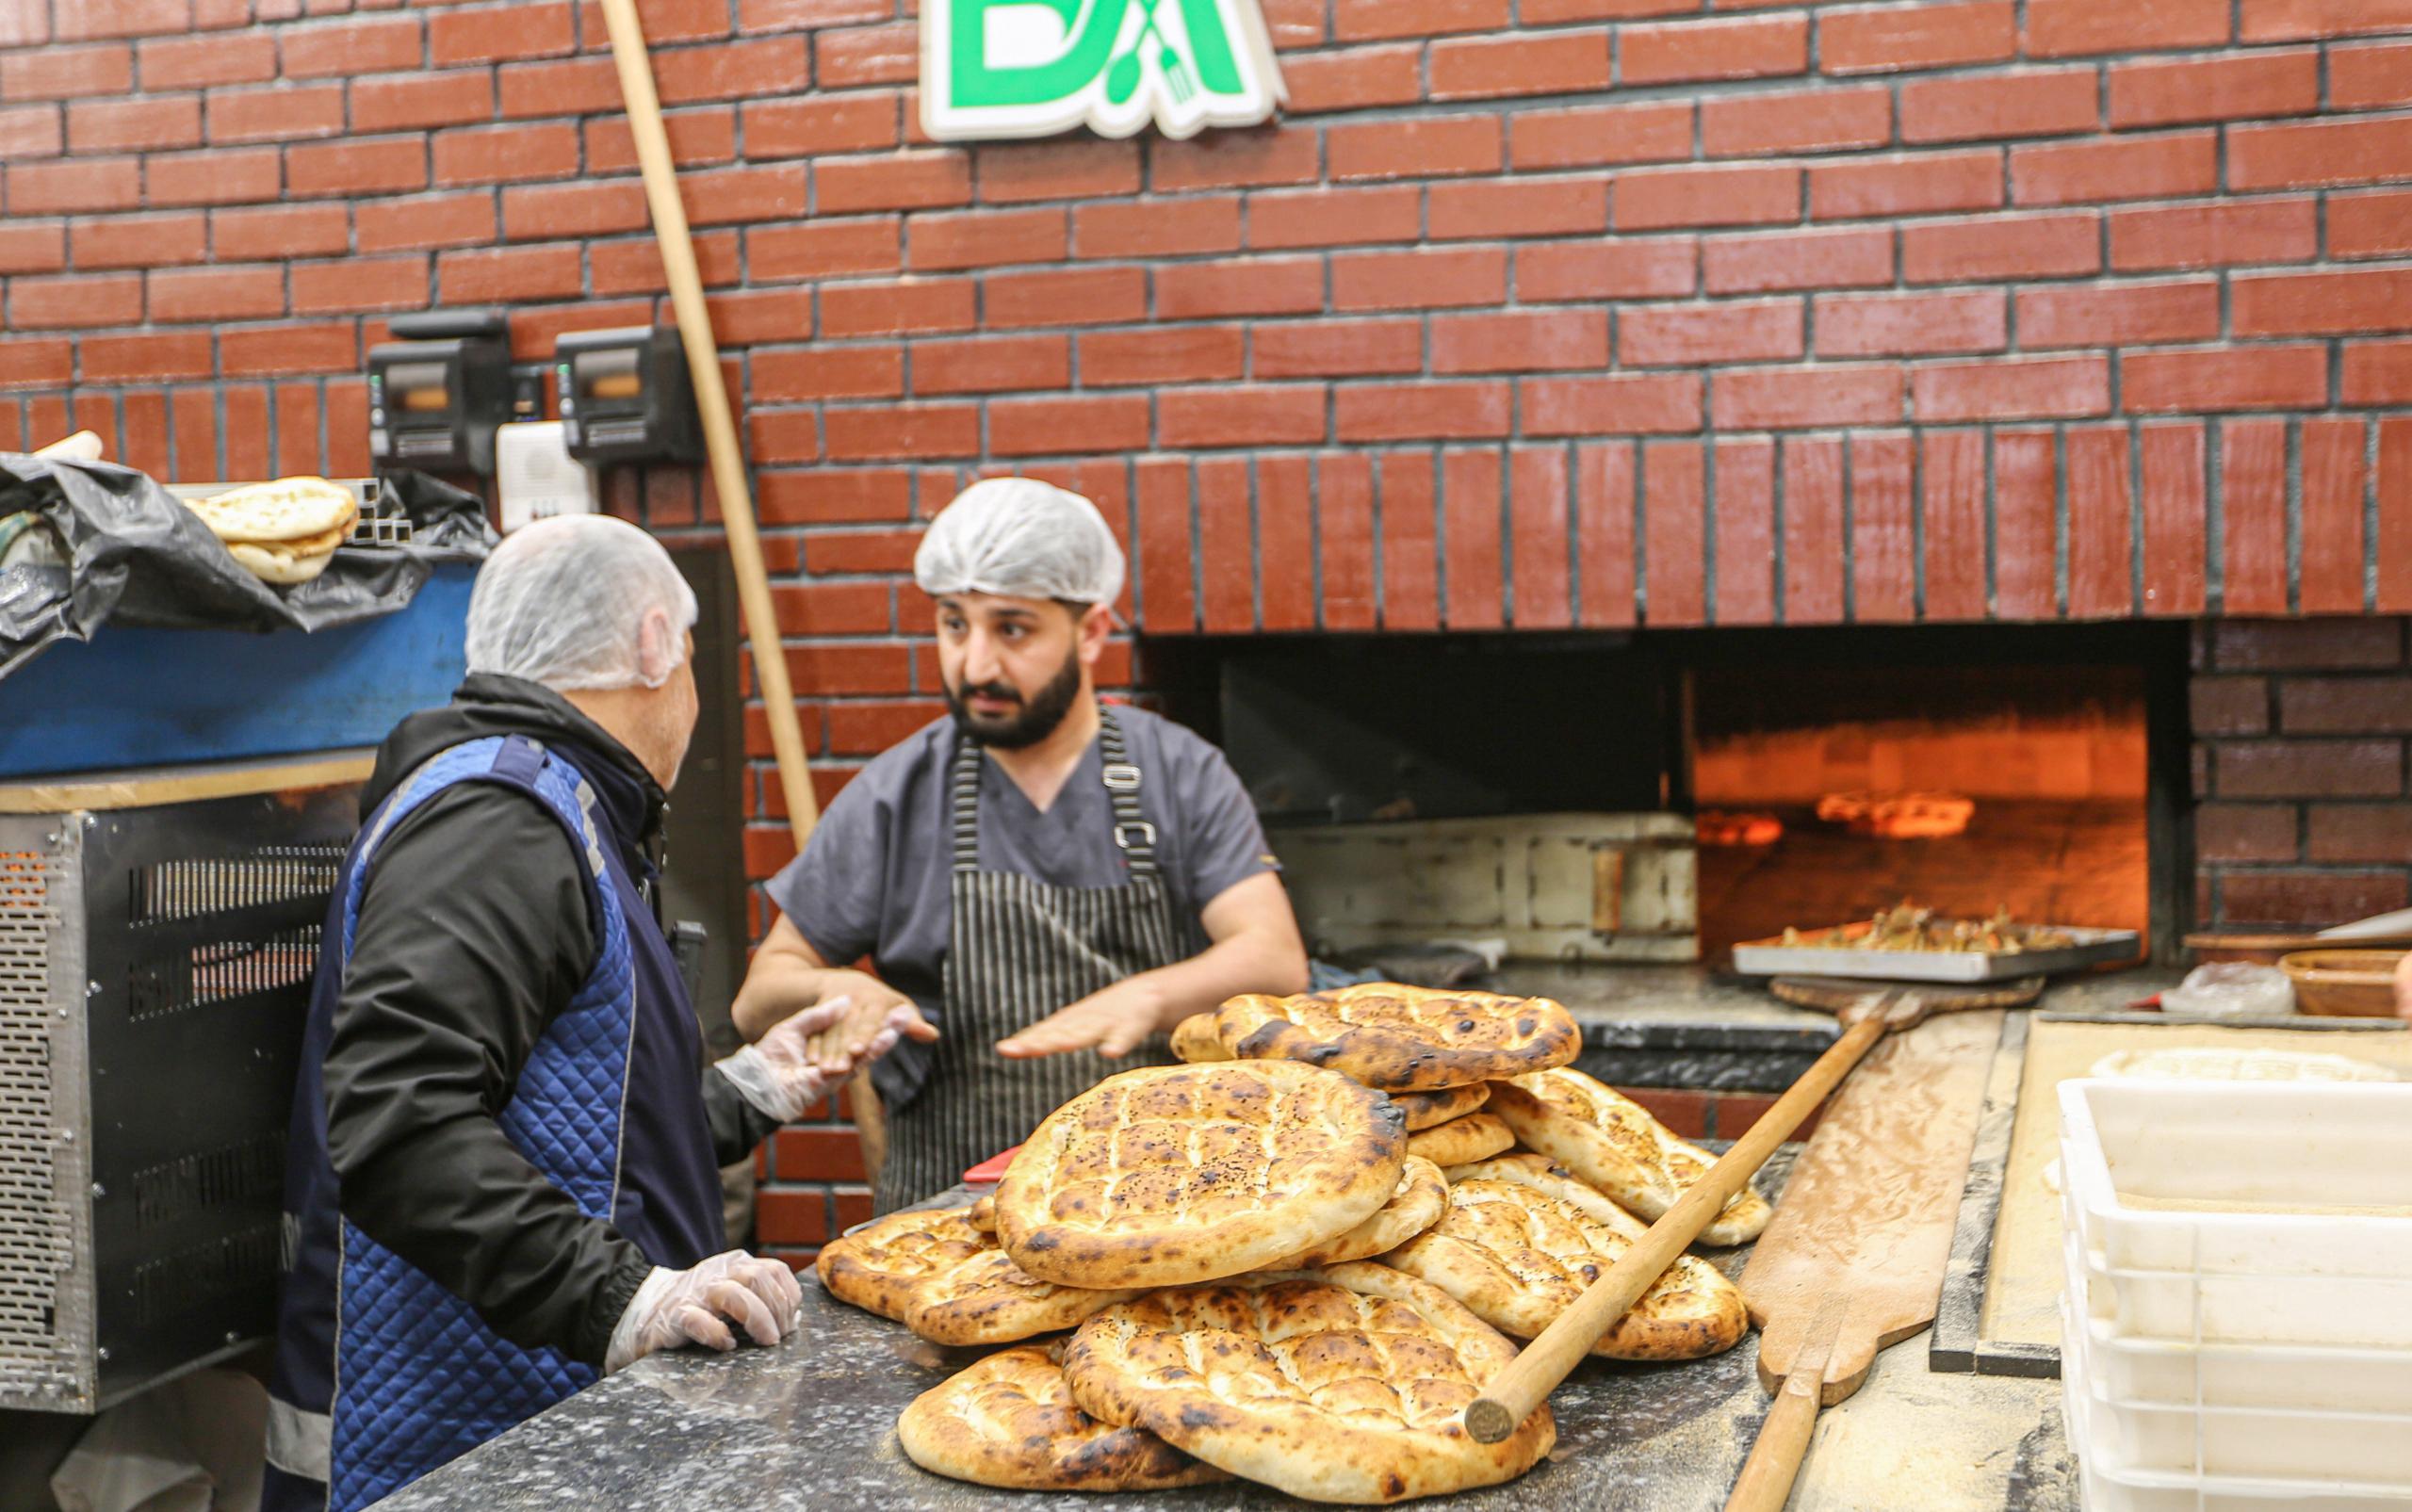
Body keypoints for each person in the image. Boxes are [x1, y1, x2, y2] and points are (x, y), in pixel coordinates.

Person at [263, 517, 906, 1512]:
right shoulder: (499, 825)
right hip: (452, 1446)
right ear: (655, 645)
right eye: (691, 657)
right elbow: (396, 1124)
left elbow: (585, 1130)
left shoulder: (567, 813)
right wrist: (624, 1297)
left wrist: (752, 1089)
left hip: (543, 1430)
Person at [732, 478, 1311, 1211]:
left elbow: (1274, 956)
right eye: (953, 625)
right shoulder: (899, 792)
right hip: (952, 1218)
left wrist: (1148, 996)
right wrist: (836, 988)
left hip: (1155, 1201)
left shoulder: (1177, 771)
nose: (975, 666)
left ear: (1092, 630)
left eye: (1012, 629)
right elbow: (758, 998)